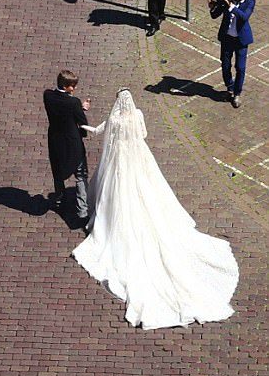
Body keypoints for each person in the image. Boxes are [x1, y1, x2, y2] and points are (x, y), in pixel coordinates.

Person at [72, 89, 238, 329]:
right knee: (146, 188)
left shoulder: (114, 119)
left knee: (115, 190)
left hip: (119, 160)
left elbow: (100, 132)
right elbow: (144, 134)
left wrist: (83, 128)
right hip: (137, 157)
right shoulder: (137, 114)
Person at [43, 70, 91, 226]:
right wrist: (81, 109)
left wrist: (77, 107)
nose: (74, 89)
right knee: (81, 174)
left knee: (57, 170)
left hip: (56, 140)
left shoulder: (48, 95)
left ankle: (59, 198)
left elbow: (62, 110)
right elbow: (81, 122)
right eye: (72, 86)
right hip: (72, 142)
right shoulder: (73, 102)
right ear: (65, 85)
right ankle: (82, 210)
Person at [209, 0, 255, 108]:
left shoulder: (250, 2)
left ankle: (237, 93)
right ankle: (230, 86)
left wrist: (231, 6)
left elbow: (244, 16)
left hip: (241, 41)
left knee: (240, 68)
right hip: (227, 38)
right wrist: (213, 7)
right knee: (225, 65)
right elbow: (214, 15)